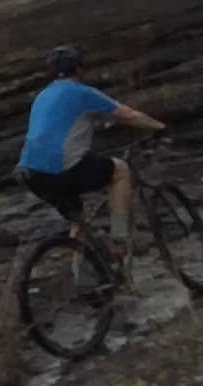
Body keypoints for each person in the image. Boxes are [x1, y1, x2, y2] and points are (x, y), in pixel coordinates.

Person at [17, 45, 166, 263]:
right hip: (62, 169)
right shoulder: (82, 92)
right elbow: (129, 116)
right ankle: (119, 238)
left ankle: (80, 281)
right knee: (120, 171)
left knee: (80, 220)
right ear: (78, 70)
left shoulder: (42, 96)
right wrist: (160, 128)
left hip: (30, 173)